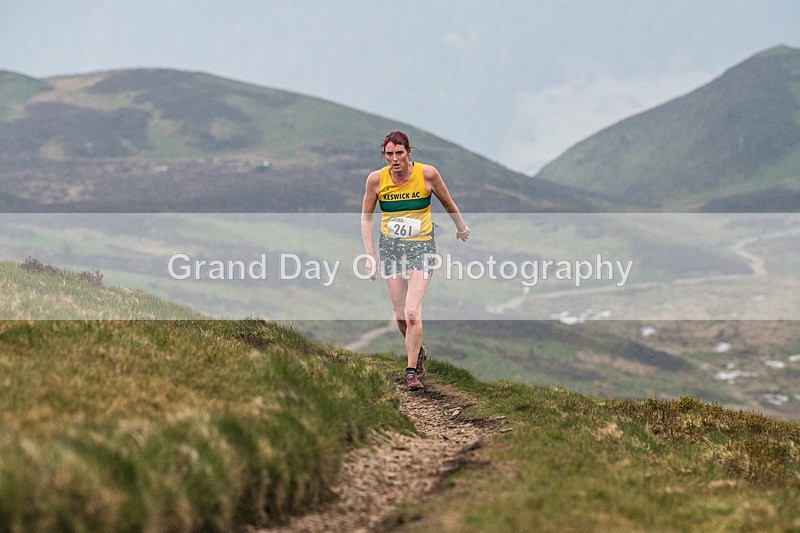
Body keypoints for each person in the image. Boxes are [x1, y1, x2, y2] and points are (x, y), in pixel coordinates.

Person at [361, 131, 470, 390]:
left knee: (412, 312)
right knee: (400, 315)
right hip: (390, 248)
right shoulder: (376, 180)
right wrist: (370, 254)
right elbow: (366, 218)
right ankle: (417, 351)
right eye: (390, 154)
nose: (395, 159)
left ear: (409, 152)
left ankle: (411, 371)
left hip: (421, 247)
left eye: (400, 153)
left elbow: (448, 202)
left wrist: (461, 227)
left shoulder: (427, 174)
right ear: (384, 155)